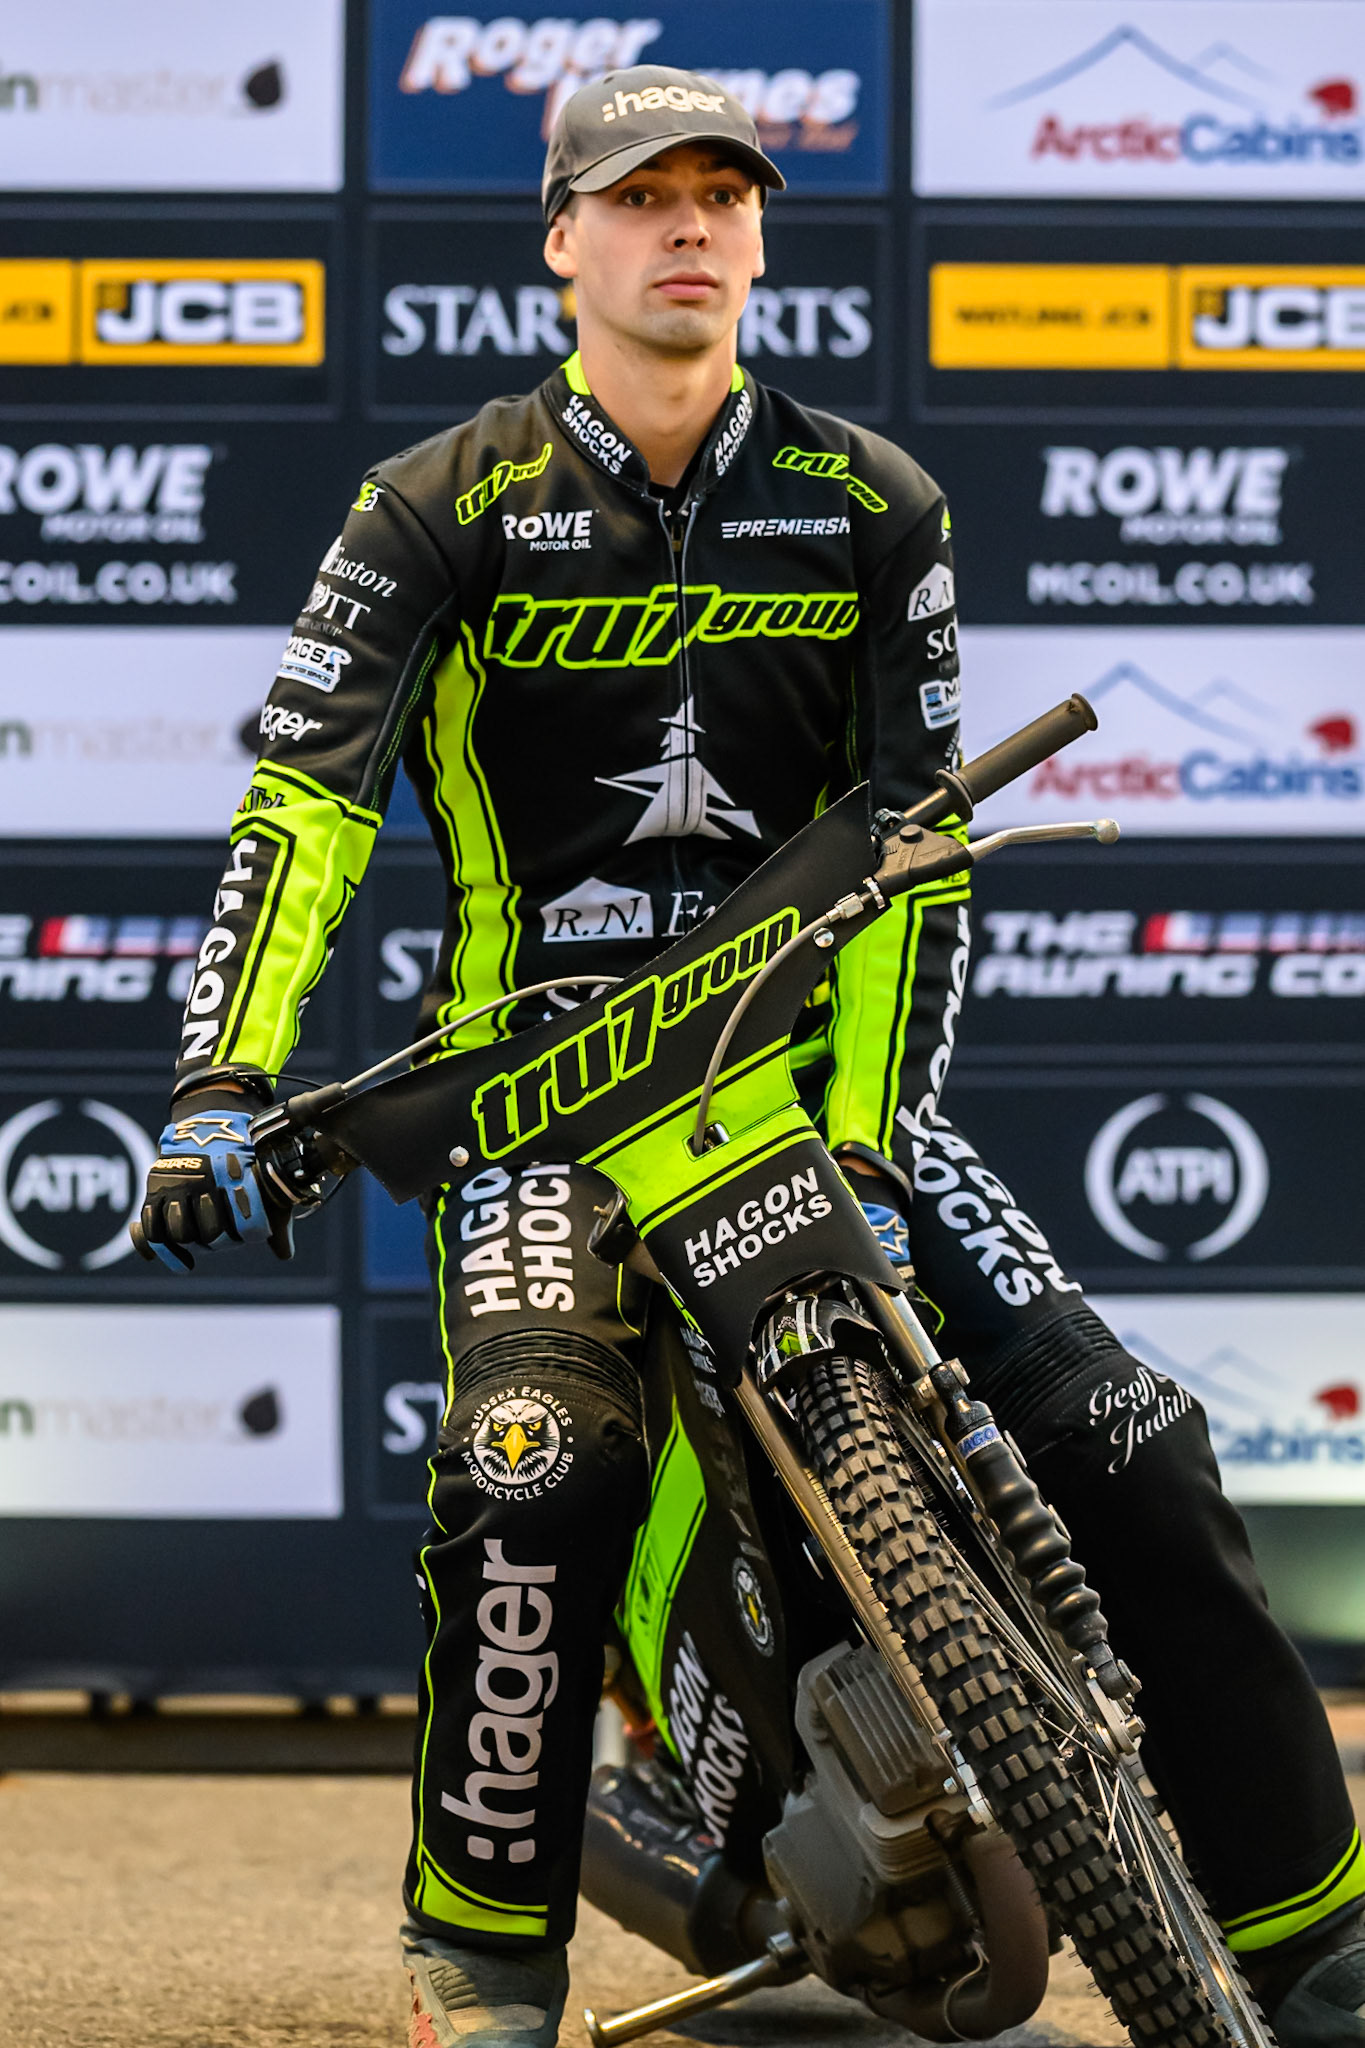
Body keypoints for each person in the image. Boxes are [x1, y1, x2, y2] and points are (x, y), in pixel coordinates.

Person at [138, 66, 1365, 2048]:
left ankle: (1309, 1940)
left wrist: (867, 1134)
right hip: (538, 1100)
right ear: (563, 243)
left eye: (722, 192)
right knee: (528, 1468)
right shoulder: (435, 509)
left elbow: (917, 848)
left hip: (803, 1077)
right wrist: (216, 1083)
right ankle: (482, 1958)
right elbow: (305, 811)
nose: (687, 223)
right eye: (641, 198)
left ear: (761, 238)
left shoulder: (876, 502)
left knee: (1128, 1435)